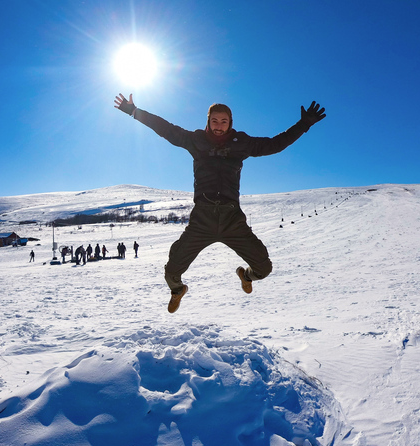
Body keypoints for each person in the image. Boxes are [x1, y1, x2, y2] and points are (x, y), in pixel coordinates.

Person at [114, 92, 325, 313]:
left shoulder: (241, 143)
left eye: (223, 121)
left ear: (230, 123)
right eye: (214, 120)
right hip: (202, 219)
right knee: (171, 272)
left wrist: (303, 124)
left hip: (232, 219)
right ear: (208, 121)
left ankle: (246, 275)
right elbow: (166, 129)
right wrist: (134, 111)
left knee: (264, 268)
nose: (219, 125)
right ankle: (178, 290)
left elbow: (275, 144)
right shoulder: (196, 140)